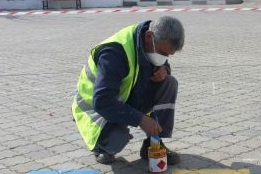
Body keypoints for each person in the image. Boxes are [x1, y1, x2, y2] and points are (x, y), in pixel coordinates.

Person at [72, 16, 185, 165]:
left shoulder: (152, 43)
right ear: (149, 36)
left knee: (169, 83)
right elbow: (102, 101)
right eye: (163, 53)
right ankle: (101, 148)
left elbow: (159, 64)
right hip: (95, 109)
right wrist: (141, 119)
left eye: (168, 56)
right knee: (117, 139)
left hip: (124, 97)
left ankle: (153, 144)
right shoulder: (114, 53)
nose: (163, 58)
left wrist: (164, 70)